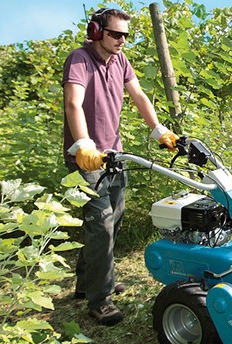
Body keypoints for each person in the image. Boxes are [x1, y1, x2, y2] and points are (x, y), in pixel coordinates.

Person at [63, 8, 178, 326]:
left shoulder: (121, 62)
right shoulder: (79, 59)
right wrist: (83, 143)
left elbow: (139, 95)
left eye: (126, 35)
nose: (121, 40)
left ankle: (87, 283)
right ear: (96, 31)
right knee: (101, 226)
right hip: (86, 158)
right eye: (115, 34)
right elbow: (73, 102)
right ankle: (100, 300)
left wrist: (159, 130)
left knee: (111, 221)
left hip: (115, 157)